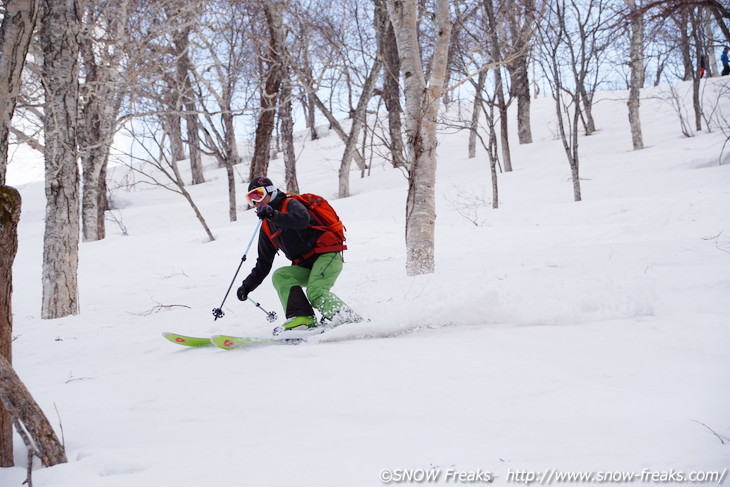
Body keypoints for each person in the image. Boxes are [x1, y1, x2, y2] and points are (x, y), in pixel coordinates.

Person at [236, 177, 361, 333]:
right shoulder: (267, 226)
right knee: (281, 275)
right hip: (305, 265)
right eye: (251, 199)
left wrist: (273, 215)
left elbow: (302, 219)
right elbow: (264, 262)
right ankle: (303, 319)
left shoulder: (289, 203)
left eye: (258, 195)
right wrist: (247, 286)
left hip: (327, 256)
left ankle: (350, 321)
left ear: (271, 192)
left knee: (315, 292)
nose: (256, 202)